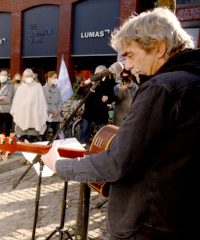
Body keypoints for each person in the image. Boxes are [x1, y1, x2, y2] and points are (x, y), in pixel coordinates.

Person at [41, 8, 199, 240]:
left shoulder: (162, 88)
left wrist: (61, 166)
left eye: (131, 55)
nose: (126, 65)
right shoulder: (190, 80)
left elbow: (118, 160)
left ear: (159, 47)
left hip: (148, 223)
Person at [79, 65, 115, 146]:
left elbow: (112, 97)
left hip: (101, 113)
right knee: (84, 130)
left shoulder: (107, 83)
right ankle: (82, 146)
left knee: (102, 133)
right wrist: (92, 85)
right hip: (89, 111)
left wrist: (107, 98)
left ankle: (99, 148)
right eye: (102, 73)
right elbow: (84, 94)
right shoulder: (90, 81)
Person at [11, 68, 47, 143]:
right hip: (23, 116)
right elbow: (16, 102)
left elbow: (41, 101)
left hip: (34, 116)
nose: (29, 77)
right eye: (27, 76)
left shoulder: (38, 86)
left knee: (30, 140)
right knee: (22, 140)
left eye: (31, 75)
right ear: (23, 78)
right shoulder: (20, 88)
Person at [42, 71, 62, 141]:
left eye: (56, 77)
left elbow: (60, 101)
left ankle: (56, 148)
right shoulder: (43, 89)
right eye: (54, 77)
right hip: (47, 115)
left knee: (56, 135)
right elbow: (44, 103)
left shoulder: (58, 89)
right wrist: (54, 111)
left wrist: (57, 112)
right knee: (45, 135)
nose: (56, 79)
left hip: (56, 115)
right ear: (49, 78)